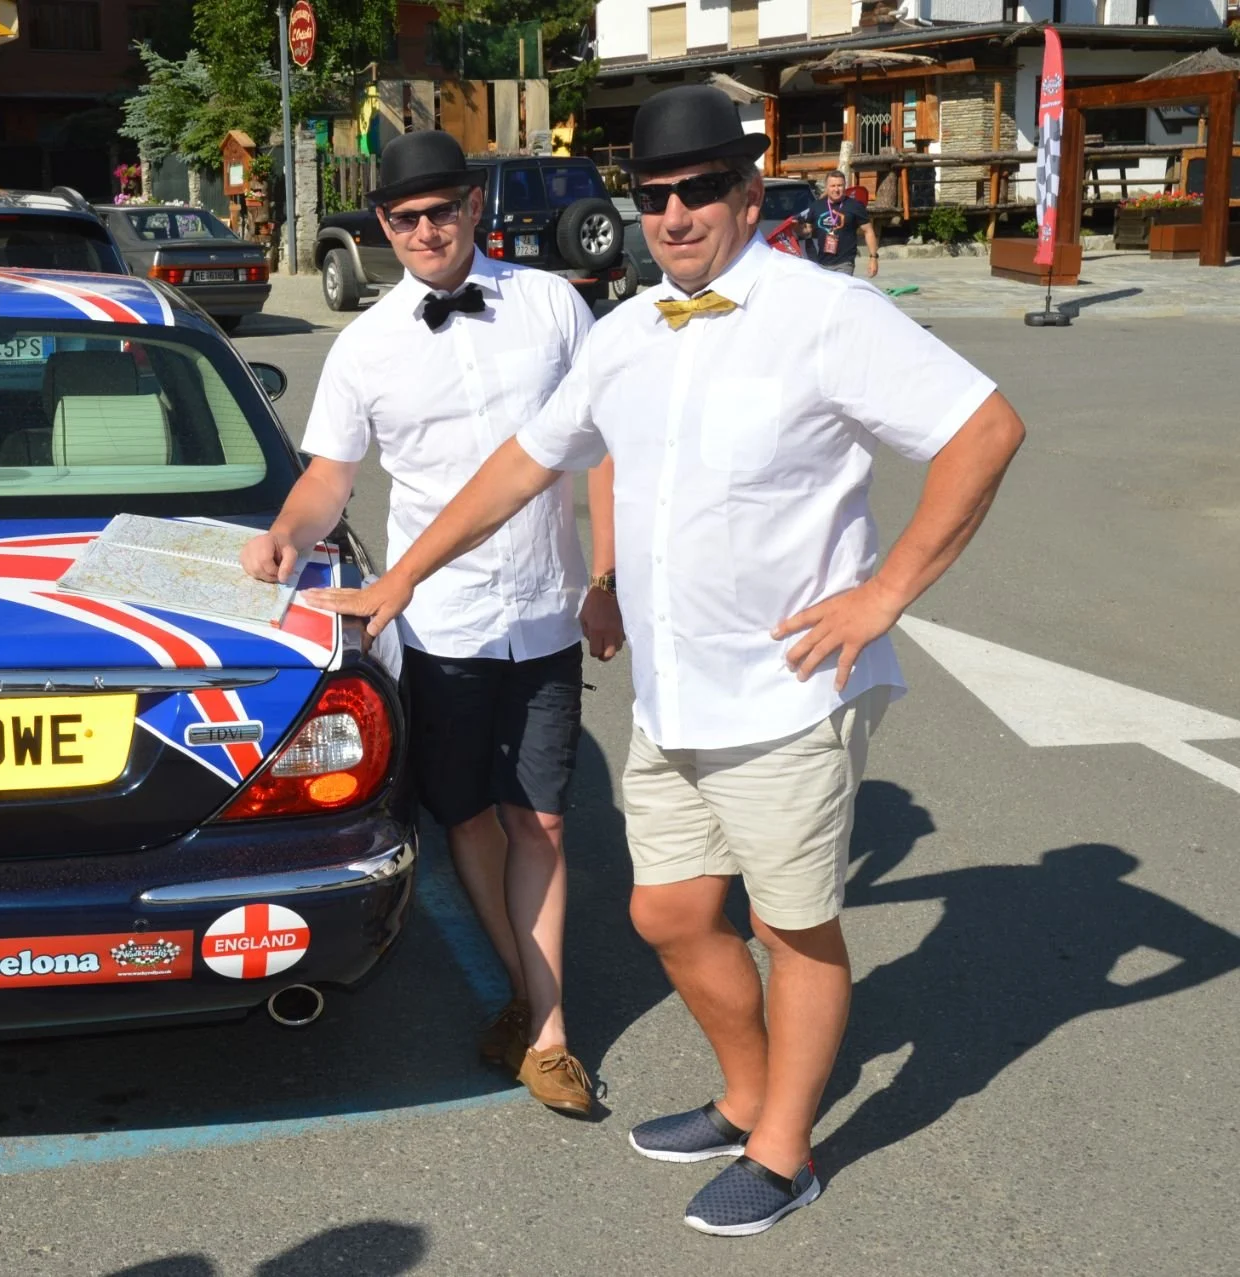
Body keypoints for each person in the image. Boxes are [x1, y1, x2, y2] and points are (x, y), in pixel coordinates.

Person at [304, 84, 1025, 1236]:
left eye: (700, 191)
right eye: (656, 195)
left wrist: (884, 594)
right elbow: (519, 469)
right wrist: (403, 576)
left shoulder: (823, 311)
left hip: (793, 692)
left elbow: (983, 429)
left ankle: (785, 1148)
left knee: (796, 929)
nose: (677, 213)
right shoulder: (630, 331)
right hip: (672, 696)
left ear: (748, 194)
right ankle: (747, 1091)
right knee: (672, 915)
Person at [238, 131, 620, 1117]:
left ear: (473, 208)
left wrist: (607, 574)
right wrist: (285, 531)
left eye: (440, 210)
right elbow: (330, 476)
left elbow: (604, 446)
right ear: (382, 227)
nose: (425, 231)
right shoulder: (367, 346)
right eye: (404, 218)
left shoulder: (554, 307)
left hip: (542, 606)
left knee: (538, 816)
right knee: (467, 819)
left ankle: (546, 1029)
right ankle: (533, 1001)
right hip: (437, 619)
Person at [802, 170, 878, 278]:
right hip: (820, 263)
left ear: (845, 186)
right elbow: (807, 230)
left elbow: (868, 231)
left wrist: (873, 258)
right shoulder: (816, 206)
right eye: (833, 186)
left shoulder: (855, 206)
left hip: (844, 263)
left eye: (840, 185)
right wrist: (796, 228)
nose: (836, 189)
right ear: (827, 187)